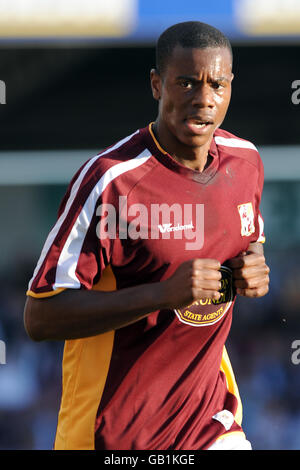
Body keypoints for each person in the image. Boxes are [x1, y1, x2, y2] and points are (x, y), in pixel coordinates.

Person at [24, 21, 270, 451]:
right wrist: (163, 294)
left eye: (217, 84)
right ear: (157, 85)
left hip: (211, 425)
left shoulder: (245, 161)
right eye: (187, 83)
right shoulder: (111, 182)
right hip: (113, 437)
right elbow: (40, 317)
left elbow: (249, 238)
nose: (204, 99)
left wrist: (255, 266)